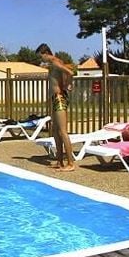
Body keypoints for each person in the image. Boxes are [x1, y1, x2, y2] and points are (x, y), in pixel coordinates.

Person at [38, 43, 76, 172]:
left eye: (41, 56)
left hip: (60, 98)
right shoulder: (53, 64)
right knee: (55, 131)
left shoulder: (55, 62)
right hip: (55, 98)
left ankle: (71, 163)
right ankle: (59, 161)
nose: (41, 59)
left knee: (62, 132)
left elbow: (70, 72)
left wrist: (69, 85)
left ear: (46, 53)